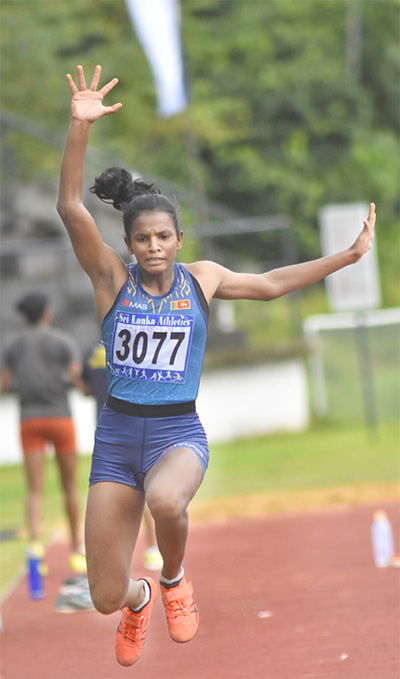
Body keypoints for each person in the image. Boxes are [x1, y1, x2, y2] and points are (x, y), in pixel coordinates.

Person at [56, 64, 376, 667]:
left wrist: (348, 256)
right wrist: (80, 126)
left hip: (176, 433)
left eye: (163, 237)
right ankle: (139, 598)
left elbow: (272, 284)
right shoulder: (112, 281)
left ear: (179, 239)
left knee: (167, 503)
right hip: (116, 438)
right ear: (129, 244)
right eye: (142, 239)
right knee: (104, 597)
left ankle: (172, 580)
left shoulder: (202, 280)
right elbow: (71, 206)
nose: (153, 246)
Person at [1, 292, 86, 573]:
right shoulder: (62, 341)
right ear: (47, 313)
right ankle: (76, 550)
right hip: (61, 418)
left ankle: (35, 549)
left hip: (29, 421)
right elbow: (75, 376)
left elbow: (4, 384)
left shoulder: (13, 346)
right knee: (69, 486)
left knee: (34, 489)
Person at [80, 341, 163, 571]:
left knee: (109, 488)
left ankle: (113, 558)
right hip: (135, 421)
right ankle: (152, 548)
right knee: (142, 484)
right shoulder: (134, 342)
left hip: (106, 426)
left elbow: (84, 388)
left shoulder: (91, 352)